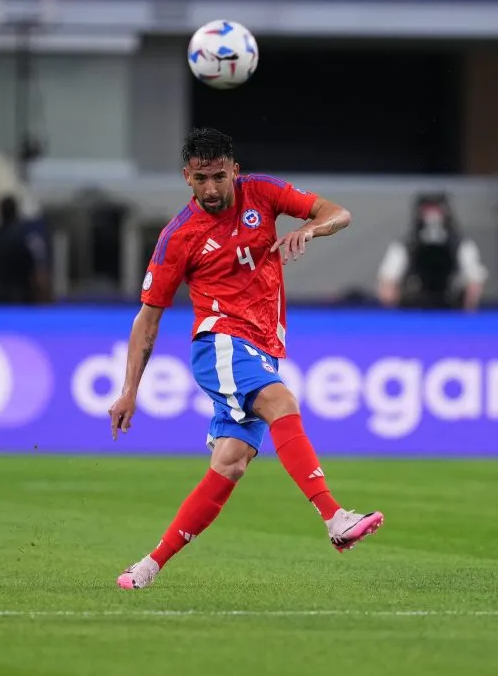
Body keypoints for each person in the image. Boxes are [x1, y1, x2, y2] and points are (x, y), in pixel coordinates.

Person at [109, 128, 384, 590]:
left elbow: (339, 214)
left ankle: (147, 567)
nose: (212, 188)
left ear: (235, 170)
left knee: (230, 462)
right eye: (201, 179)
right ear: (186, 178)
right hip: (218, 343)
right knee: (282, 403)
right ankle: (334, 517)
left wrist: (311, 229)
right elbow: (147, 319)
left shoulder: (263, 192)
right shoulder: (178, 236)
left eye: (219, 176)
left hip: (263, 347)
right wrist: (129, 390)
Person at [376, 193, 487, 311]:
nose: (432, 215)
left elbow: (474, 280)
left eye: (436, 209)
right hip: (414, 307)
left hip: (450, 307)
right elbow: (387, 281)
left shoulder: (461, 245)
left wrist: (469, 313)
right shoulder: (405, 245)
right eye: (427, 209)